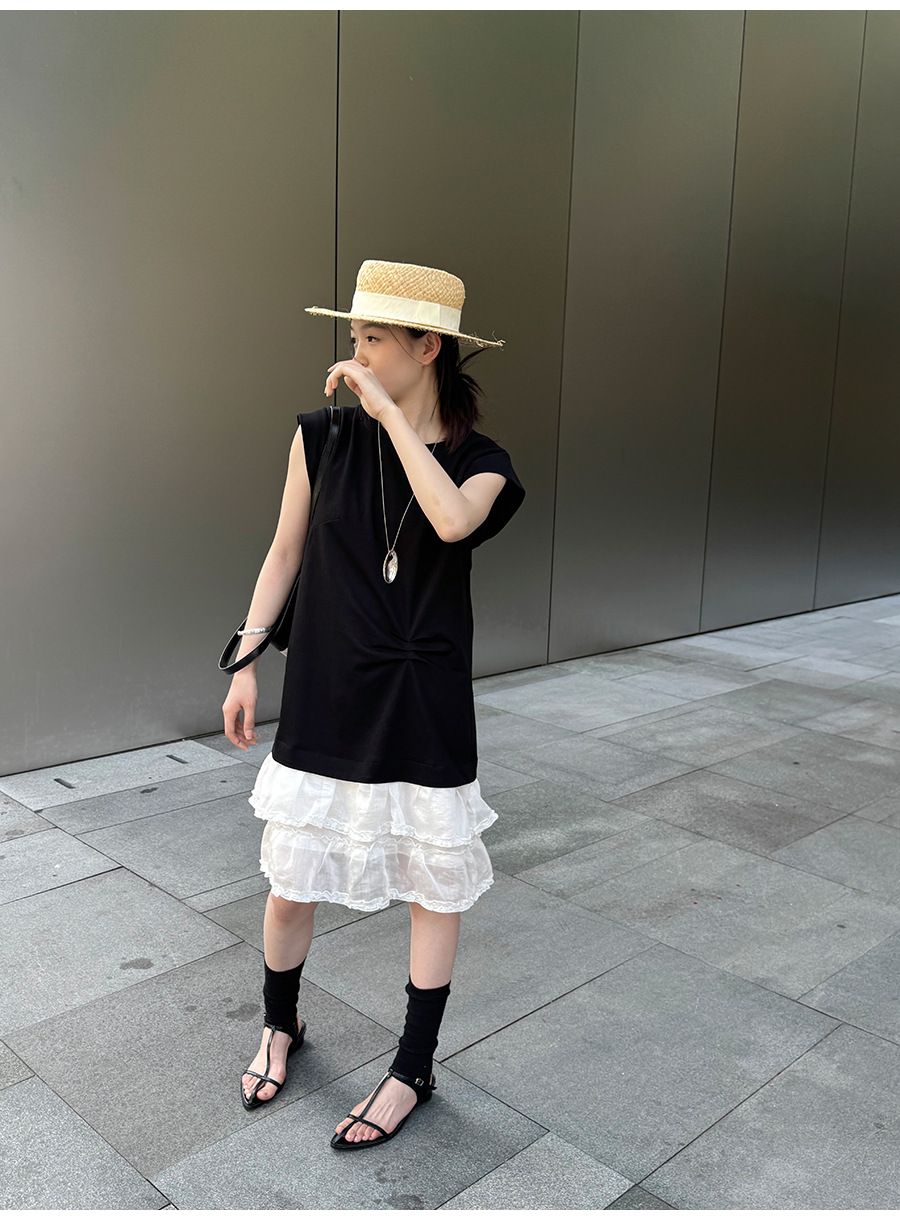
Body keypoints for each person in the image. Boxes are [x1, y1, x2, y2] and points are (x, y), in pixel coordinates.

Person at [222, 259, 525, 1150]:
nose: (354, 355)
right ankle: (280, 1023)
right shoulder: (320, 438)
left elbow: (452, 522)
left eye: (374, 339)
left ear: (428, 349)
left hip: (423, 695)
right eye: (354, 336)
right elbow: (284, 553)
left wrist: (390, 416)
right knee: (291, 884)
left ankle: (412, 1070)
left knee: (433, 888)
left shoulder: (482, 463)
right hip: (327, 687)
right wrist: (245, 661)